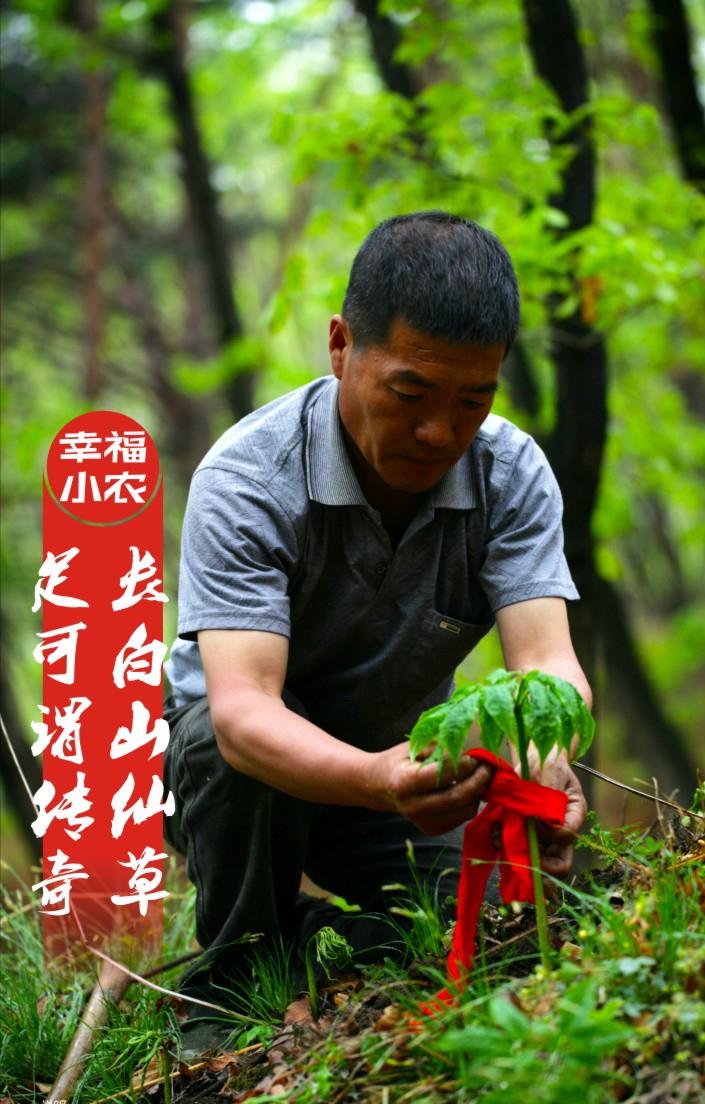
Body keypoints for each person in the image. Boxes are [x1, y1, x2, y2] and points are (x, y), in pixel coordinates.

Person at [163, 211, 590, 1044]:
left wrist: (545, 764)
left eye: (473, 400)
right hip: (245, 782)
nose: (439, 432)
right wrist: (372, 776)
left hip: (402, 778)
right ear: (340, 347)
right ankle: (232, 985)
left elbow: (549, 666)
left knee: (518, 930)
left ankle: (318, 940)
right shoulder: (249, 478)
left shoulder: (512, 473)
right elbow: (244, 715)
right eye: (410, 393)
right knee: (227, 754)